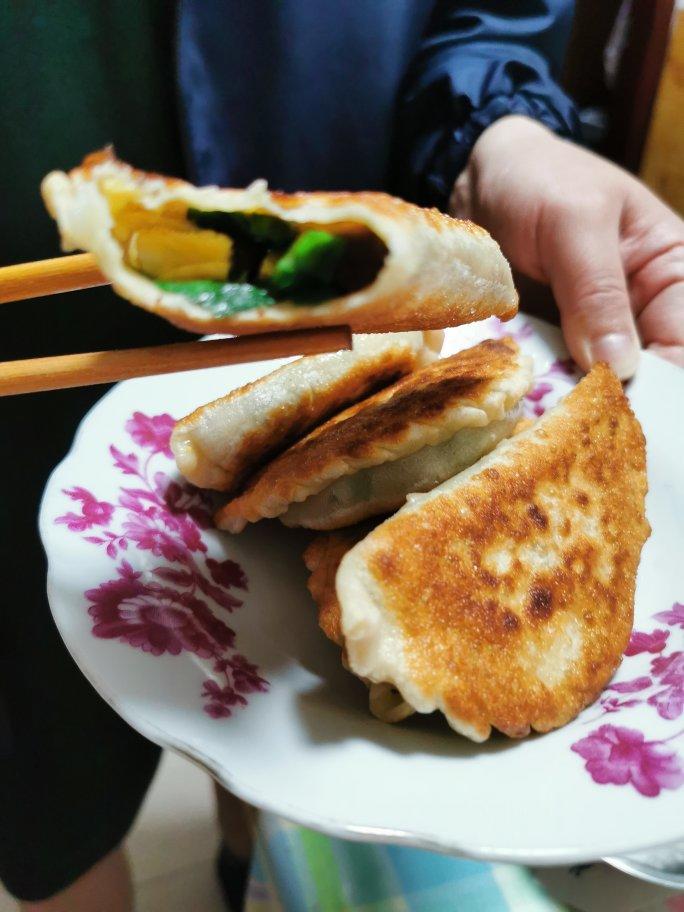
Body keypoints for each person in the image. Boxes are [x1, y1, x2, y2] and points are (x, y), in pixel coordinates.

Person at [1, 1, 681, 909]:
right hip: (24, 403)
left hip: (365, 284)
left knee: (243, 707)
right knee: (54, 769)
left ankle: (238, 851)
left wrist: (498, 126)